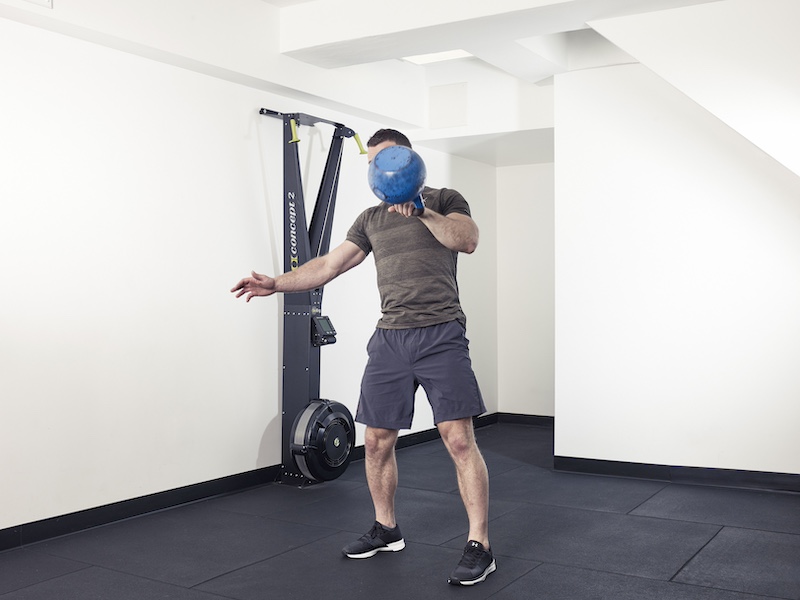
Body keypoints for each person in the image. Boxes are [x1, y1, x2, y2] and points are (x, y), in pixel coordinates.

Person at [231, 129, 495, 586]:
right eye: (373, 163)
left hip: (441, 334)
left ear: (408, 160)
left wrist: (422, 210)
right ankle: (386, 528)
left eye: (387, 160)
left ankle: (480, 545)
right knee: (374, 441)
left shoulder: (445, 198)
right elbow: (329, 265)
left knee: (457, 439)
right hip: (391, 338)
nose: (381, 170)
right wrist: (275, 283)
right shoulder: (370, 218)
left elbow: (466, 240)